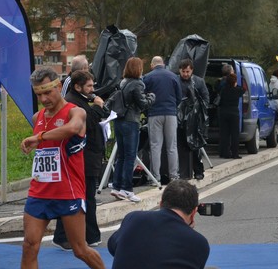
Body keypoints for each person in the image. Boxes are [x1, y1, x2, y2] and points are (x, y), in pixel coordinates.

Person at [19, 67, 110, 269]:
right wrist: (36, 142)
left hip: (68, 192)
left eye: (47, 92)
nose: (43, 99)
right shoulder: (37, 117)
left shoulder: (75, 111)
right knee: (30, 245)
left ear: (59, 87)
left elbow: (73, 129)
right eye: (38, 94)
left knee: (80, 249)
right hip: (40, 191)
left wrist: (38, 137)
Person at [108, 180, 227, 269]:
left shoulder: (132, 218)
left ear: (161, 204)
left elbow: (113, 247)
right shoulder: (199, 242)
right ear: (194, 212)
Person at [53, 70, 107, 250]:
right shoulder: (74, 103)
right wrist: (98, 107)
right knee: (85, 198)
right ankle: (89, 236)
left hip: (87, 155)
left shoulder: (81, 100)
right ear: (78, 86)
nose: (93, 90)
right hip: (83, 157)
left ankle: (65, 236)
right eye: (89, 86)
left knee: (78, 198)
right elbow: (88, 125)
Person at [110, 57, 155, 202]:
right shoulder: (137, 84)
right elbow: (142, 104)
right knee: (130, 156)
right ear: (138, 69)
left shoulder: (122, 82)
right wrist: (151, 97)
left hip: (119, 121)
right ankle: (127, 189)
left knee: (121, 155)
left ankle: (116, 186)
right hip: (131, 121)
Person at [143, 56, 182, 183]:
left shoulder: (147, 77)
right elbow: (179, 97)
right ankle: (174, 175)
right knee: (172, 146)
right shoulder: (173, 76)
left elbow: (143, 97)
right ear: (163, 64)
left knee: (155, 146)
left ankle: (155, 177)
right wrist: (172, 107)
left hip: (154, 113)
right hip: (170, 113)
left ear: (152, 65)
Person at [178, 58, 210, 180]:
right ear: (179, 71)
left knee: (196, 146)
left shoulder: (198, 82)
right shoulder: (176, 81)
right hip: (180, 119)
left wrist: (198, 112)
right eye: (183, 71)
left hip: (195, 120)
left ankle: (198, 171)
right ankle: (182, 171)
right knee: (181, 146)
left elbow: (206, 98)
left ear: (192, 70)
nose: (185, 74)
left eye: (187, 71)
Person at [218, 73, 245, 159]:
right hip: (234, 113)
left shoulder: (223, 89)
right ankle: (235, 153)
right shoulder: (237, 90)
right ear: (235, 82)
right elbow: (243, 89)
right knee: (234, 134)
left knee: (224, 134)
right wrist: (236, 84)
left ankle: (225, 153)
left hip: (223, 112)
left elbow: (218, 88)